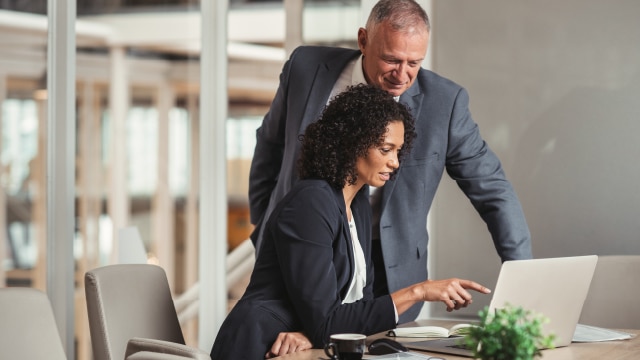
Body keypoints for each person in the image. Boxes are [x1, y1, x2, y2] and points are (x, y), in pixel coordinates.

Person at [248, 0, 532, 323]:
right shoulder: (305, 68)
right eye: (391, 60)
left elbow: (493, 190)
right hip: (302, 249)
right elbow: (269, 145)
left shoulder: (445, 104)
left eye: (414, 62)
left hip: (387, 265)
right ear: (363, 41)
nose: (402, 75)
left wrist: (522, 281)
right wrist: (265, 225)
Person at [211, 84, 491, 359]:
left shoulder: (356, 204)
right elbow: (326, 322)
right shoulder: (310, 203)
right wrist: (419, 291)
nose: (395, 162)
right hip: (259, 347)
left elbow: (358, 306)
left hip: (301, 346)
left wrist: (313, 333)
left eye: (398, 150)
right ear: (351, 143)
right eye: (385, 149)